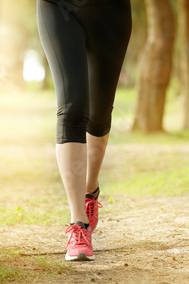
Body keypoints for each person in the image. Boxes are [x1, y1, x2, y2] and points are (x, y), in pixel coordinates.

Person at [37, 0, 132, 261]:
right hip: (58, 6)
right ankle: (79, 224)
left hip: (112, 11)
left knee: (99, 115)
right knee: (72, 108)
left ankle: (90, 190)